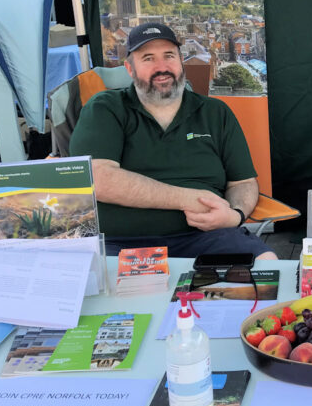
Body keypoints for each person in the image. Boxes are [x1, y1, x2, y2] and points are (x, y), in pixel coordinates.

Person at [69, 22, 276, 259]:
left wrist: (235, 215)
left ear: (181, 62)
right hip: (118, 243)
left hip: (206, 237)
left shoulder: (215, 112)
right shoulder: (106, 108)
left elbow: (243, 183)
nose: (162, 67)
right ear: (130, 68)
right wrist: (189, 199)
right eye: (148, 58)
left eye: (169, 56)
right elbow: (99, 179)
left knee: (266, 265)